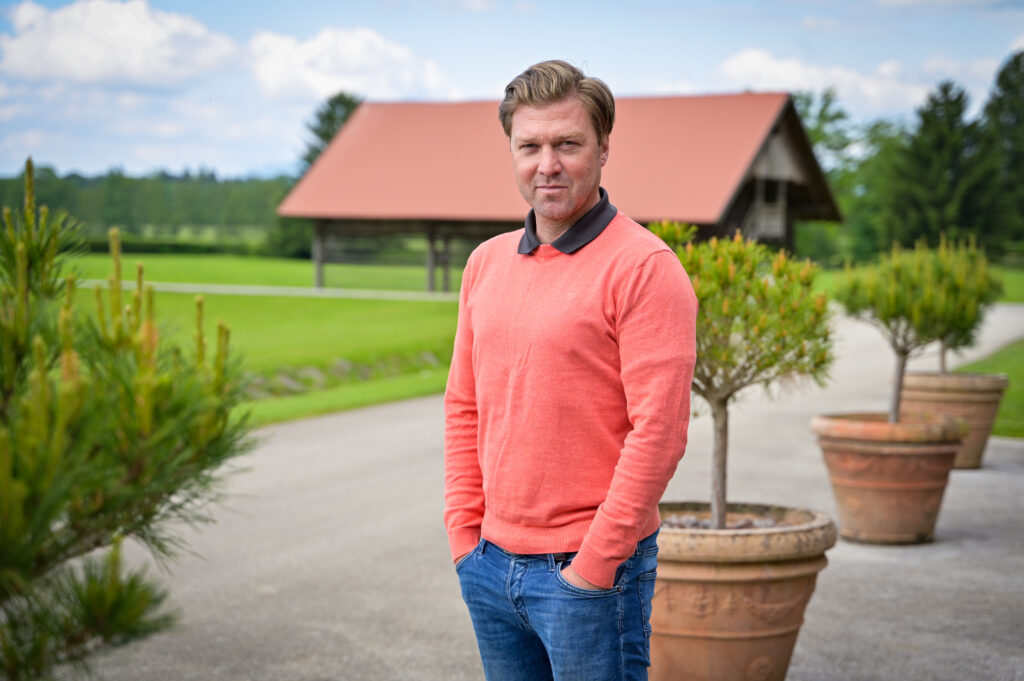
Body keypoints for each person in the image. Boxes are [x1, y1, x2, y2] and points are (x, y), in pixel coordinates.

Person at [443, 59, 698, 681]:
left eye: (567, 144)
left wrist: (594, 566)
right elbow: (464, 406)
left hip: (589, 576)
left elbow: (659, 434)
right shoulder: (485, 263)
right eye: (529, 146)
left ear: (603, 149)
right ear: (512, 150)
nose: (547, 164)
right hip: (488, 564)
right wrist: (464, 534)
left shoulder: (644, 268)